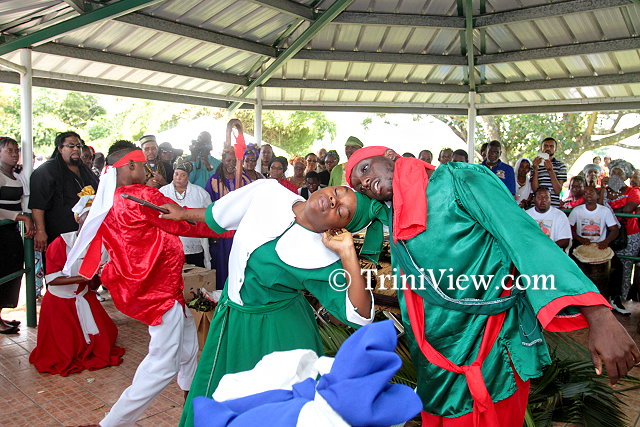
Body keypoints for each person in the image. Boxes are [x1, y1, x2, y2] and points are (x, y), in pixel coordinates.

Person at [346, 146, 639, 426]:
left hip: (488, 345)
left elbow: (523, 237)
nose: (365, 181)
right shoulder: (390, 210)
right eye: (359, 184)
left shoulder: (458, 179)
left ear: (389, 155)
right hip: (434, 355)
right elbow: (340, 209)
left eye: (364, 168)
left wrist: (599, 315)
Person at [158, 179, 388, 427]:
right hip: (234, 318)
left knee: (270, 411)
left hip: (278, 334)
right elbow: (220, 214)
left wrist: (347, 254)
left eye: (342, 212)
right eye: (339, 192)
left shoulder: (322, 257)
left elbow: (360, 315)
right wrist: (182, 213)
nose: (334, 200)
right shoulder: (268, 191)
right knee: (218, 393)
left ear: (338, 229)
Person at [62, 140, 225, 427]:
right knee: (162, 366)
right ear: (132, 165)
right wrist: (236, 224)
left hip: (150, 287)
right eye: (145, 166)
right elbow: (186, 223)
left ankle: (192, 399)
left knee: (187, 348)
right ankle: (111, 423)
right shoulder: (139, 196)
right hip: (158, 292)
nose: (149, 171)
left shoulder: (108, 199)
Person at [29, 190, 125, 375]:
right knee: (63, 353)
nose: (91, 222)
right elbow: (52, 280)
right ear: (78, 219)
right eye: (87, 217)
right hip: (59, 303)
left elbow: (96, 282)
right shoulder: (62, 242)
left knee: (105, 340)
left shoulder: (103, 244)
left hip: (83, 296)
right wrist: (84, 278)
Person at [30, 131, 99, 252]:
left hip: (86, 233)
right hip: (59, 235)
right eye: (71, 146)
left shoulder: (85, 170)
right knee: (58, 268)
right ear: (60, 148)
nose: (76, 149)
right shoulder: (46, 171)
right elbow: (38, 205)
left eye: (79, 146)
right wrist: (40, 231)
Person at [0, 137, 35, 334]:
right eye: (9, 151)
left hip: (11, 233)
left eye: (16, 151)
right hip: (2, 232)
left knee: (10, 272)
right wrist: (19, 216)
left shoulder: (16, 175)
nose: (14, 155)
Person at [206, 148, 252, 289]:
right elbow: (209, 207)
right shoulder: (214, 181)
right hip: (221, 233)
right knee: (222, 266)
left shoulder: (245, 180)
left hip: (240, 231)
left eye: (235, 161)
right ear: (222, 161)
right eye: (228, 160)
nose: (232, 164)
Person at [160, 158, 213, 268]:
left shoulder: (200, 193)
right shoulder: (162, 192)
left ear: (188, 176)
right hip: (169, 247)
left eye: (182, 175)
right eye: (176, 174)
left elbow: (209, 215)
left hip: (194, 246)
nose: (178, 178)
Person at [603, 159, 640, 314]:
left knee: (626, 266)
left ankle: (623, 300)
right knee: (610, 266)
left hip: (629, 235)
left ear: (626, 176)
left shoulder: (634, 191)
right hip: (609, 233)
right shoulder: (604, 190)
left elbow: (627, 208)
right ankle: (609, 297)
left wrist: (613, 188)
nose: (616, 176)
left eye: (620, 173)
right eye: (613, 173)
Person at [531, 137, 567, 208]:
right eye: (545, 146)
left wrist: (551, 170)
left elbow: (558, 190)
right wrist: (535, 169)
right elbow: (535, 189)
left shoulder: (560, 166)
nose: (548, 148)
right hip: (537, 206)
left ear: (555, 149)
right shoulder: (535, 164)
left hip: (553, 205)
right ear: (541, 148)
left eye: (551, 146)